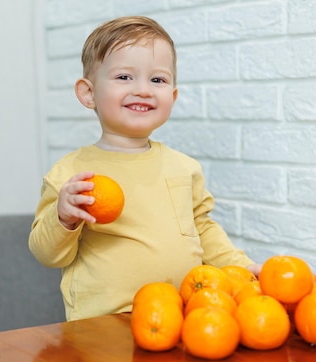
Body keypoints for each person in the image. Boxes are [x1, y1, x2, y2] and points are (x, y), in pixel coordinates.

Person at [29, 16, 261, 321]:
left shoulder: (184, 167)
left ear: (173, 97)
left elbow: (203, 230)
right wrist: (64, 218)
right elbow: (46, 254)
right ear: (88, 93)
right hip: (103, 323)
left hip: (180, 315)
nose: (143, 90)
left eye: (158, 80)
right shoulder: (71, 174)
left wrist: (243, 267)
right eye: (124, 77)